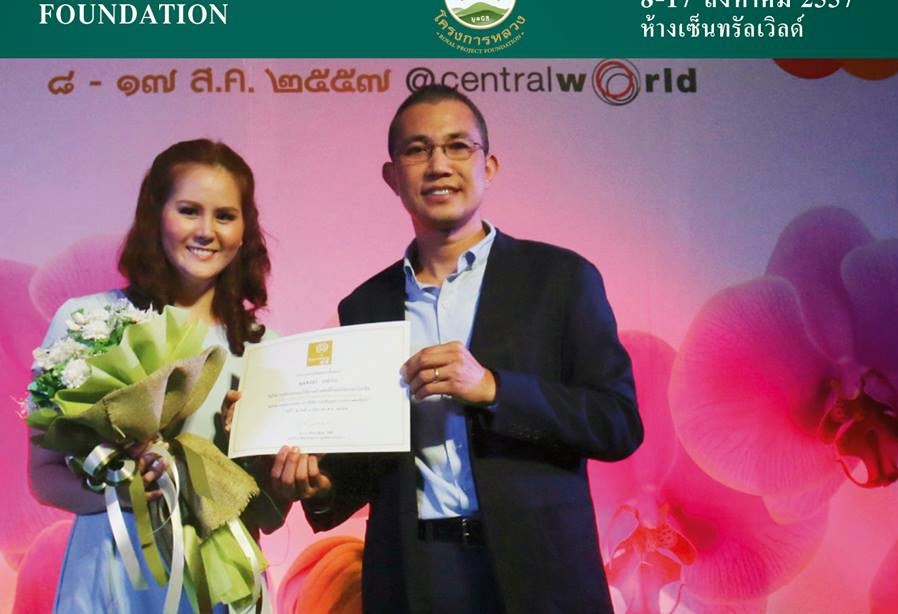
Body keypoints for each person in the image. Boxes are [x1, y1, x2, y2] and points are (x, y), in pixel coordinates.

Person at [271, 85, 644, 613]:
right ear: (392, 176)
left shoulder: (560, 279)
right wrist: (323, 485)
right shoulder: (366, 304)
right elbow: (372, 460)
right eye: (417, 149)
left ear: (488, 166)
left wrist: (493, 388)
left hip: (540, 572)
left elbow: (616, 423)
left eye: (457, 146)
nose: (439, 164)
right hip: (415, 573)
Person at [27, 138, 282, 613]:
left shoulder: (265, 347)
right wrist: (120, 495)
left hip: (220, 585)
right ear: (155, 215)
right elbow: (43, 475)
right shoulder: (87, 322)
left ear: (245, 229)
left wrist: (270, 469)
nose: (206, 231)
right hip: (114, 575)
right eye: (189, 211)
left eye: (225, 216)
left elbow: (269, 509)